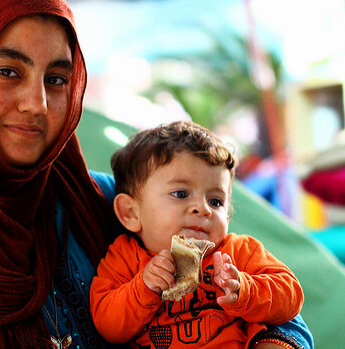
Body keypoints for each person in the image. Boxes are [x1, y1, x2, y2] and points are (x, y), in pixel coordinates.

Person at [0, 0, 313, 349]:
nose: (39, 104)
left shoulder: (101, 199)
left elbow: (284, 313)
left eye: (57, 79)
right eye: (8, 71)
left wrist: (274, 341)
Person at [90, 121, 306, 349]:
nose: (203, 209)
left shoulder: (238, 252)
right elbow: (107, 325)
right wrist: (143, 288)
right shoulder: (124, 256)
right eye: (180, 193)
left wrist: (244, 289)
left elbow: (291, 295)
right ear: (131, 213)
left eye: (216, 201)